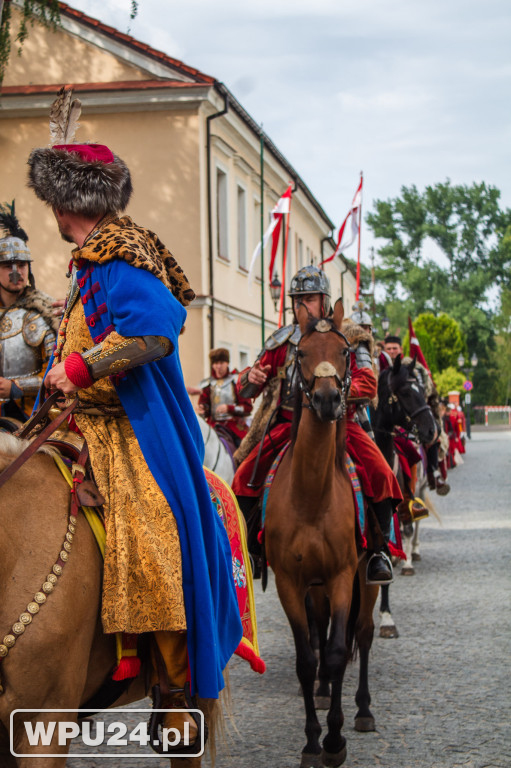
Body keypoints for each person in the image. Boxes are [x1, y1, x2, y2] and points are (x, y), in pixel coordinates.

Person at [27, 129, 242, 732]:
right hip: (76, 418)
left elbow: (153, 335)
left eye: (53, 201)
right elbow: (78, 339)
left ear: (66, 203)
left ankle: (173, 686)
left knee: (156, 532)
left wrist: (79, 368)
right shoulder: (88, 260)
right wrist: (35, 384)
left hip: (129, 427)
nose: (52, 212)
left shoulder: (120, 253)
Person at [233, 265, 402, 585]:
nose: (302, 306)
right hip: (287, 426)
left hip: (341, 424)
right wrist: (250, 378)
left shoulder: (349, 337)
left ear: (324, 302)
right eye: (297, 300)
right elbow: (247, 388)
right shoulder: (281, 340)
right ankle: (251, 551)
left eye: (309, 299)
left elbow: (368, 384)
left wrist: (332, 394)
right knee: (243, 476)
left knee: (381, 471)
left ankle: (378, 551)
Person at [0, 201, 58, 421]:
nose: (16, 273)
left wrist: (16, 387)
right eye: (8, 266)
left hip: (34, 416)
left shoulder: (44, 315)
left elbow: (56, 371)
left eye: (22, 265)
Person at [198, 347, 252, 453]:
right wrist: (203, 408)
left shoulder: (236, 381)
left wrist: (229, 408)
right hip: (213, 426)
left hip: (234, 426)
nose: (218, 366)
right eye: (215, 363)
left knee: (246, 451)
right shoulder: (207, 384)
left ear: (227, 363)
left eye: (221, 362)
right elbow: (205, 404)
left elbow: (247, 409)